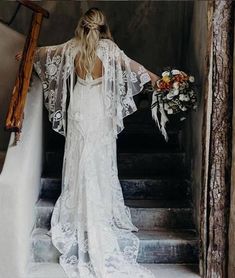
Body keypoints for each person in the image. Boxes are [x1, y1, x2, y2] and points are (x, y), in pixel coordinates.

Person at [17, 7, 160, 278]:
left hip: (80, 106)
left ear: (81, 26)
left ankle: (77, 208)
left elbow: (46, 53)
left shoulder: (72, 47)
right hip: (99, 109)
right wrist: (163, 82)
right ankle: (100, 206)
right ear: (102, 26)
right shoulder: (110, 50)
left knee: (78, 153)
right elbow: (138, 70)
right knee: (100, 156)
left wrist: (25, 55)